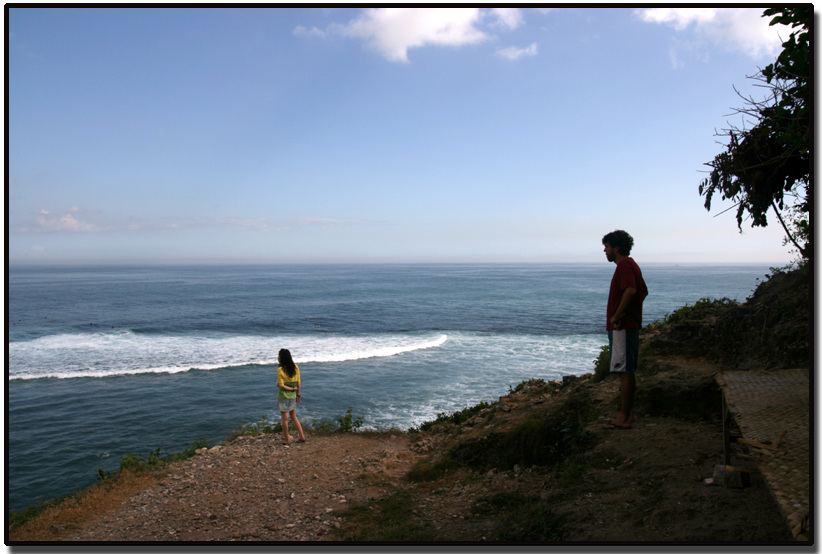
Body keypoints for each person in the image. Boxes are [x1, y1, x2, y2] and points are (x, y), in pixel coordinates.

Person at [601, 230, 648, 430]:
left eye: (607, 247)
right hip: (628, 324)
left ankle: (625, 417)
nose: (605, 250)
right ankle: (627, 414)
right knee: (627, 369)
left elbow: (631, 291)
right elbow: (643, 292)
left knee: (625, 370)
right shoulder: (631, 265)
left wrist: (618, 316)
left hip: (623, 326)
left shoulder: (625, 265)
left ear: (616, 248)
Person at [277, 348, 306, 445]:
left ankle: (287, 440)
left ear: (281, 358)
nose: (278, 357)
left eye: (279, 355)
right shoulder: (295, 367)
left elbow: (281, 385)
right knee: (294, 417)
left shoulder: (280, 370)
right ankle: (302, 436)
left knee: (284, 419)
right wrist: (298, 394)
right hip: (293, 396)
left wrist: (291, 389)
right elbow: (299, 383)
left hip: (284, 396)